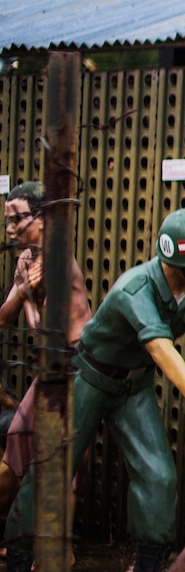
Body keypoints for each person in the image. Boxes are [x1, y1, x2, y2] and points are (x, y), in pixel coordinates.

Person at [1, 208, 185, 572]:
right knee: (50, 471)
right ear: (177, 261)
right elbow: (159, 347)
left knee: (158, 475)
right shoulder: (133, 290)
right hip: (88, 377)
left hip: (132, 385)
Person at [0, 181, 94, 517]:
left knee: (62, 452)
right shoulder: (29, 256)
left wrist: (26, 298)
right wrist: (21, 292)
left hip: (76, 361)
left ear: (41, 218)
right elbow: (4, 317)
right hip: (55, 362)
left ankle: (57, 552)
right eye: (7, 221)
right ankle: (26, 530)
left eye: (17, 220)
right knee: (20, 435)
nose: (11, 229)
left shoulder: (56, 257)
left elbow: (48, 335)